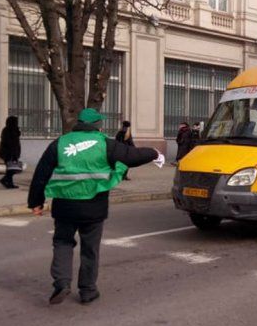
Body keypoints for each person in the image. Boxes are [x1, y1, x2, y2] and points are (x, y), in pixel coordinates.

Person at [28, 108, 161, 305]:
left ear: (79, 123)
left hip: (65, 205)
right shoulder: (106, 144)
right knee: (90, 248)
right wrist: (154, 153)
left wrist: (35, 202)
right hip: (94, 207)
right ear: (98, 125)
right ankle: (88, 290)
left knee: (63, 242)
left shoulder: (60, 143)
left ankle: (62, 282)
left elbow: (41, 173)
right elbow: (132, 156)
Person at [0, 115, 21, 189]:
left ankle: (9, 183)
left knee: (11, 169)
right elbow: (8, 142)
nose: (17, 123)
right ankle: (5, 180)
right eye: (16, 121)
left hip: (13, 153)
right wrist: (12, 153)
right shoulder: (6, 130)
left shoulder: (15, 130)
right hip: (8, 153)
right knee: (10, 170)